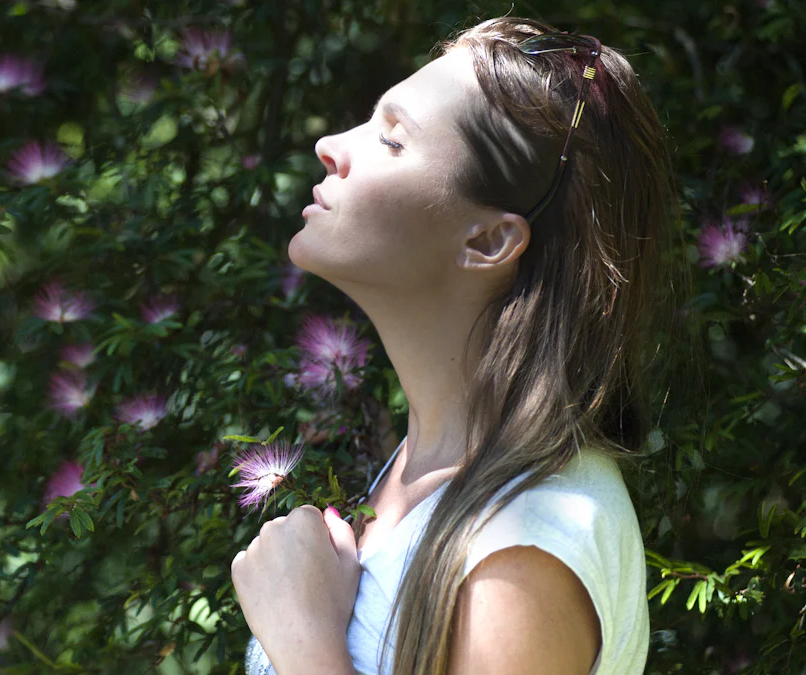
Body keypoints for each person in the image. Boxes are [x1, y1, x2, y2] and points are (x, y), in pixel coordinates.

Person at [232, 15, 677, 675]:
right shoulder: (429, 472)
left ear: (489, 242)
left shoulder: (525, 543)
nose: (330, 144)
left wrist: (301, 639)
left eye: (392, 138)